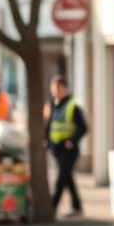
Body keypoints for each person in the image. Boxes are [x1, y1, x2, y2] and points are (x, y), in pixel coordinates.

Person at [45, 74, 88, 218]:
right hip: (56, 148)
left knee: (61, 178)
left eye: (59, 88)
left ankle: (51, 208)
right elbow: (48, 126)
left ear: (65, 88)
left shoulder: (73, 106)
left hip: (68, 149)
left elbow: (83, 128)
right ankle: (77, 206)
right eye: (54, 88)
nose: (56, 91)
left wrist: (72, 140)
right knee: (67, 178)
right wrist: (47, 142)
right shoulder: (51, 105)